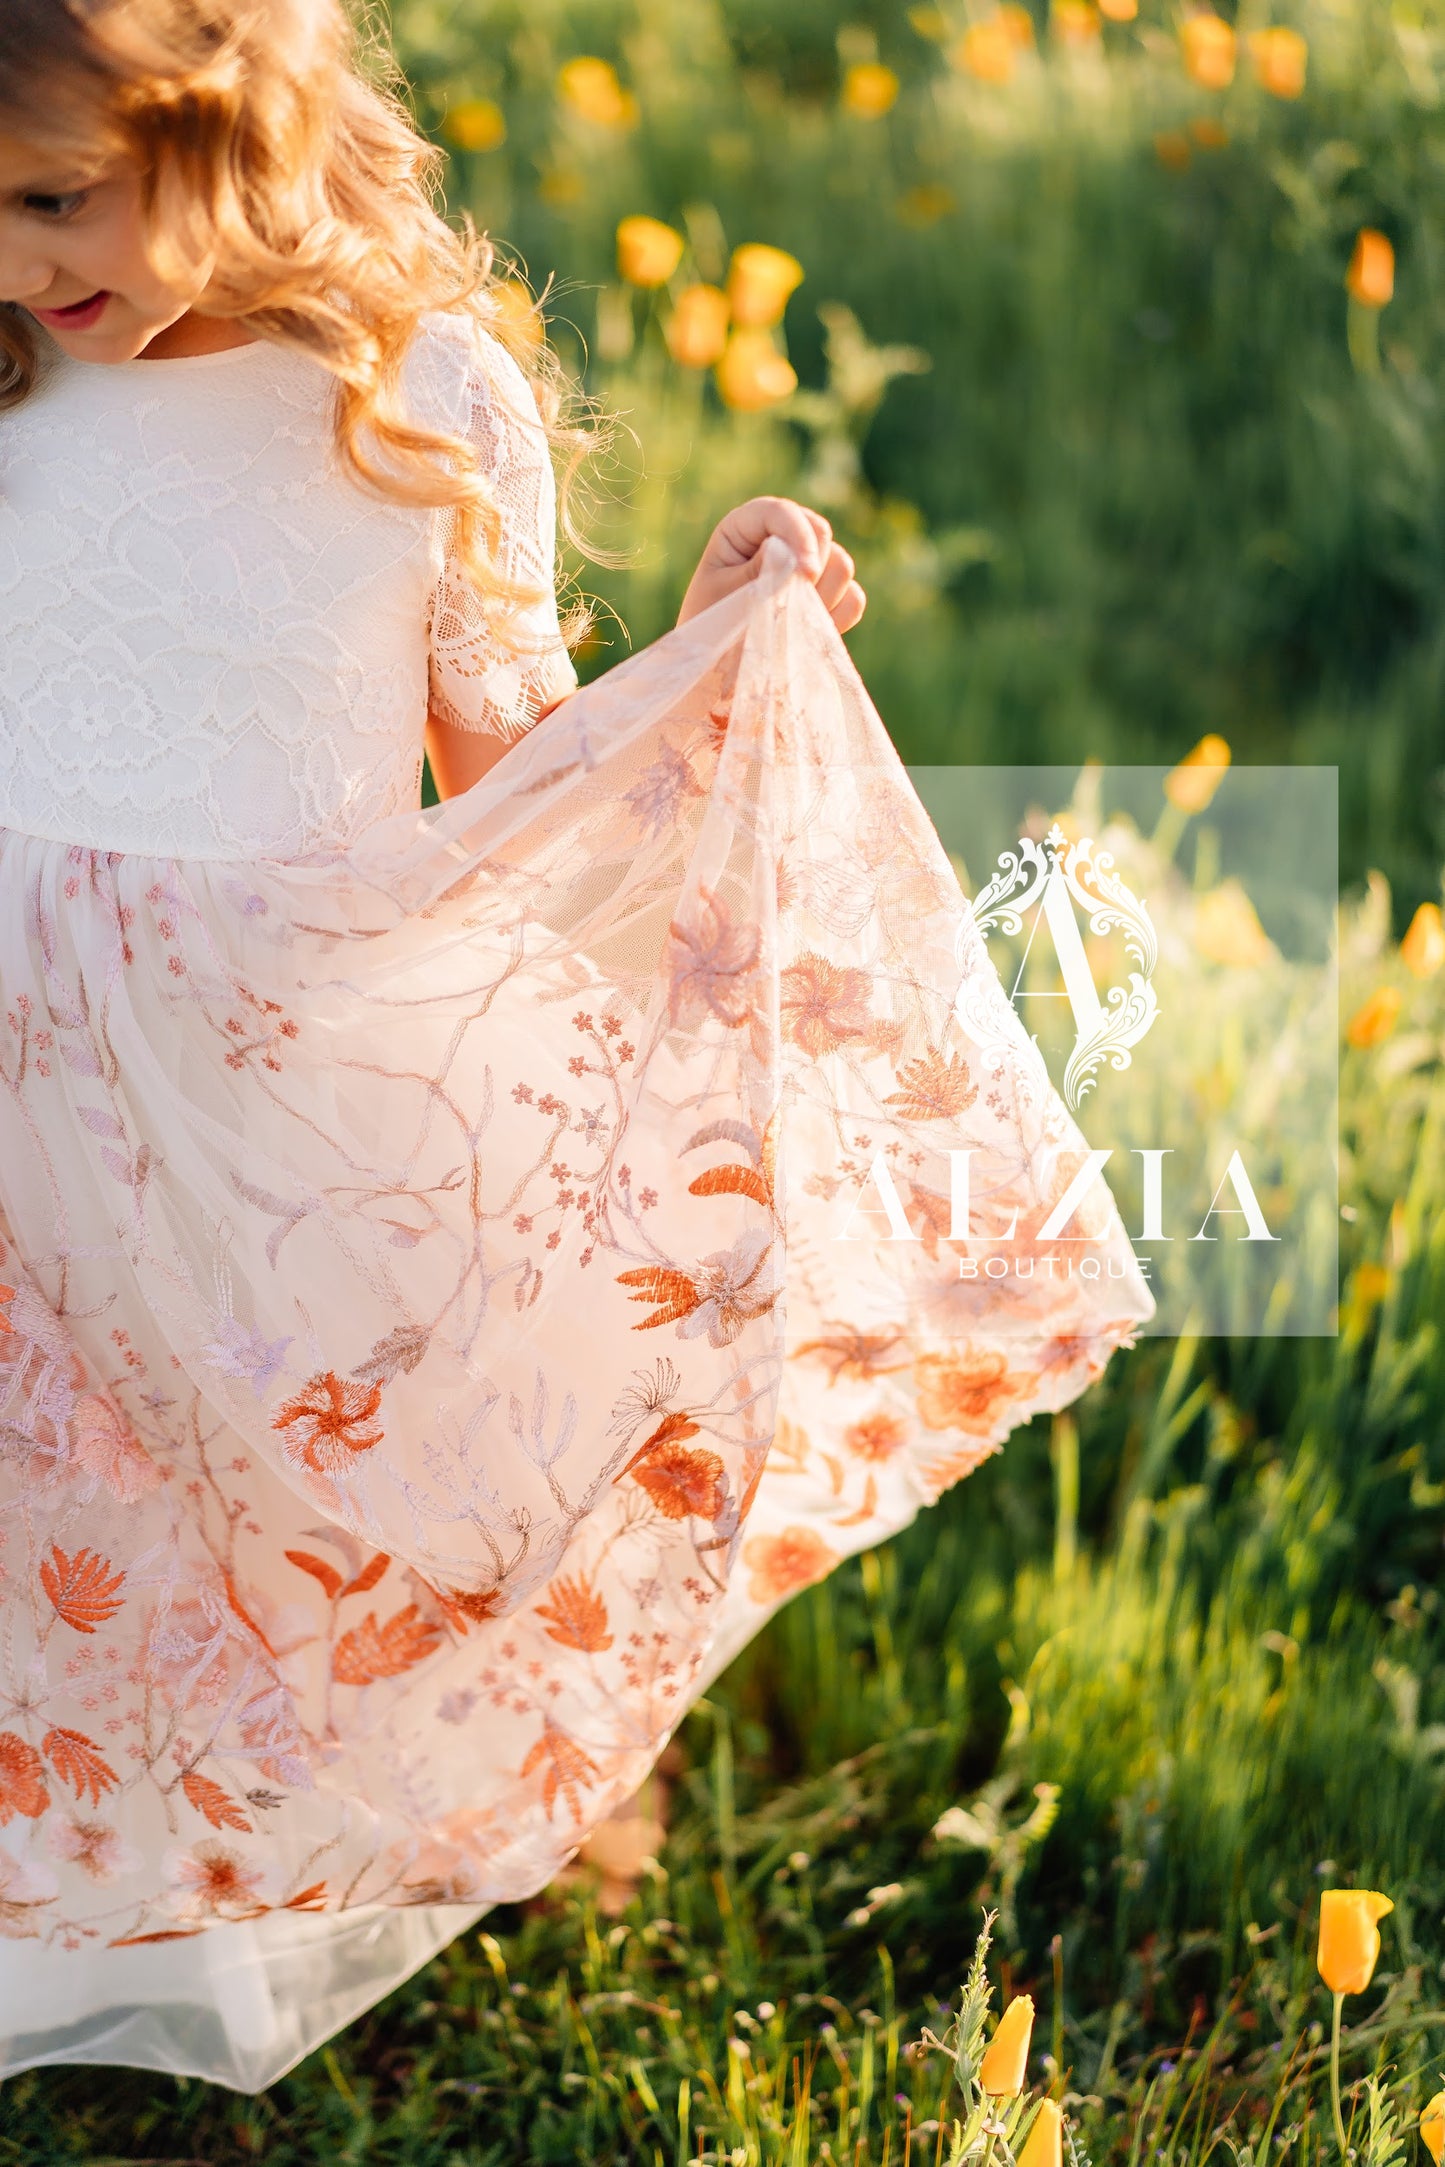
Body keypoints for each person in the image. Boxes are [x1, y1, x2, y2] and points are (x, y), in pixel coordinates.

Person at [0, 0, 1154, 2096]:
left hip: (278, 1097)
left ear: (237, 121)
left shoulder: (412, 402)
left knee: (357, 1509)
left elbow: (526, 790)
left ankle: (447, 1822)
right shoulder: (9, 379)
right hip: (18, 1072)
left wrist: (715, 650)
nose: (12, 255)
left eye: (55, 193)